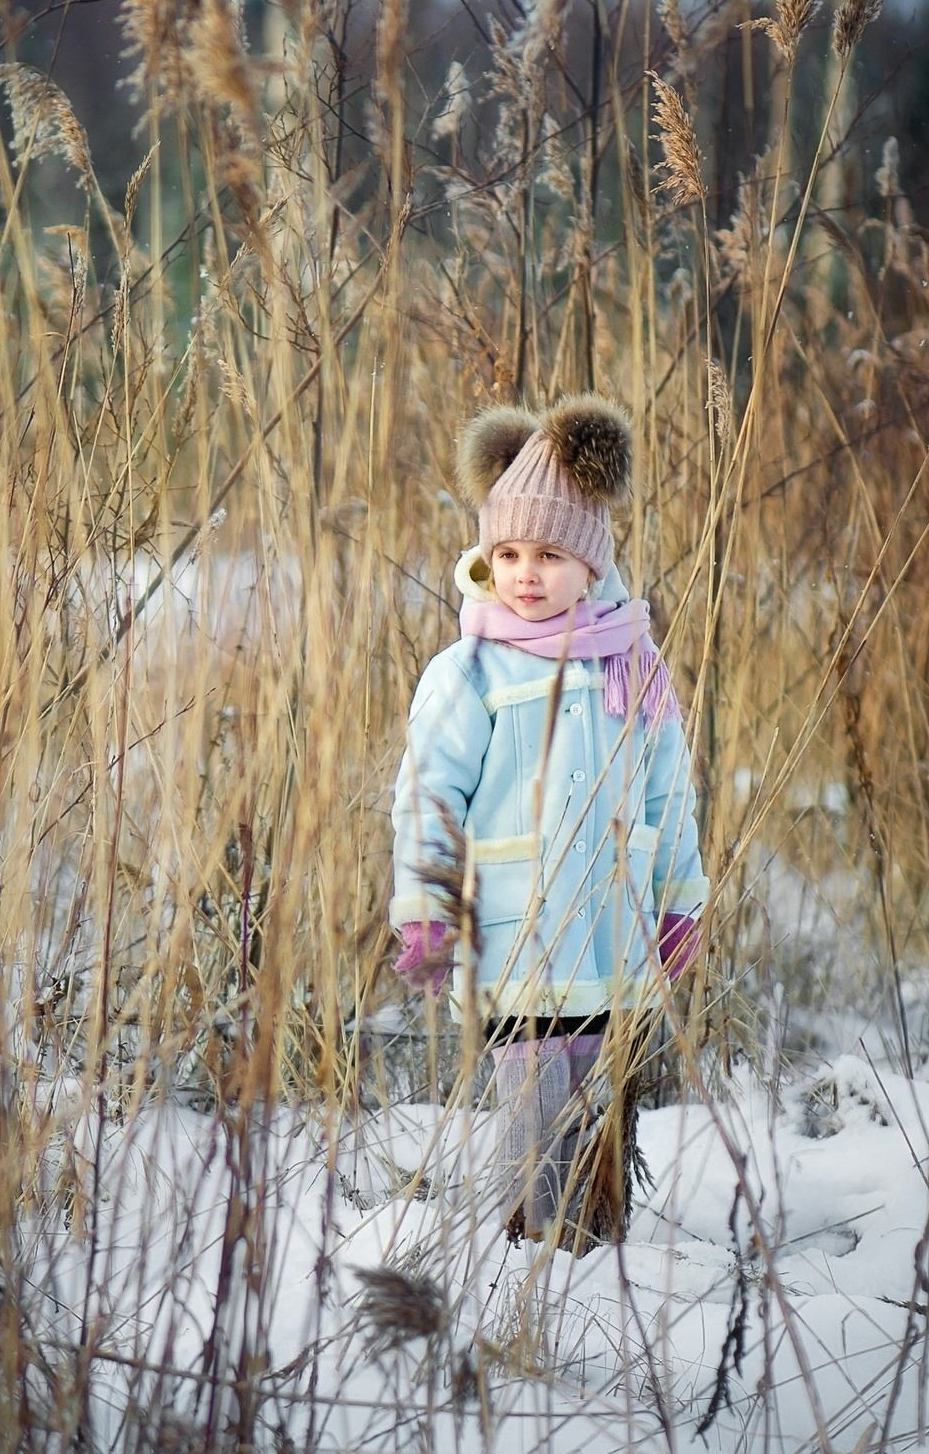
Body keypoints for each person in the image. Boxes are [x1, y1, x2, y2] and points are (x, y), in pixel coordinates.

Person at [386, 396, 708, 1249]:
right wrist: (425, 909)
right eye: (509, 553)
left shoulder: (634, 666)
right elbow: (427, 793)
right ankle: (529, 1236)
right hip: (515, 935)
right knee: (532, 1091)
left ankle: (597, 1232)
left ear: (592, 563)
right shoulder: (471, 672)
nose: (526, 573)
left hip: (609, 933)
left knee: (597, 1086)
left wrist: (679, 903)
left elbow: (669, 792)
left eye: (550, 554)